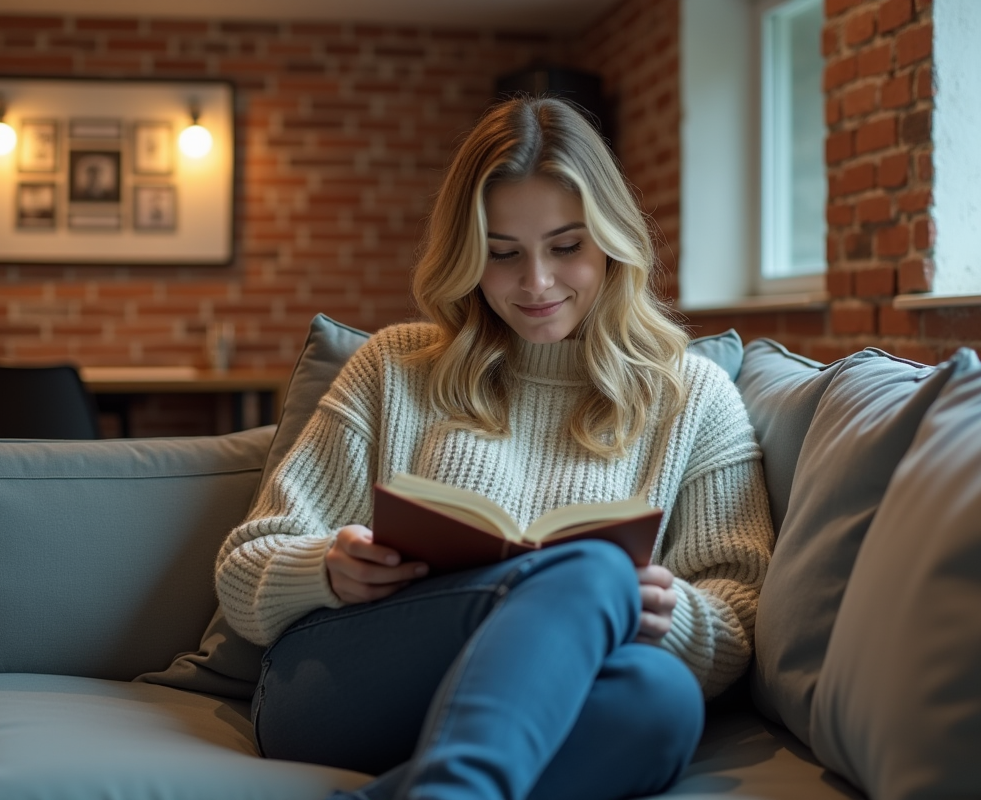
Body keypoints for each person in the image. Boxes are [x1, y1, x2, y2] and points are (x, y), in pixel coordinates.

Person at [215, 96, 775, 800]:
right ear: (467, 256)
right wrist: (324, 568)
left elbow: (740, 608)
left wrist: (677, 616)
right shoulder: (392, 368)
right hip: (346, 683)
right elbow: (243, 568)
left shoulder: (693, 397)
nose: (536, 283)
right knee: (594, 571)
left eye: (566, 247)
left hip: (545, 704)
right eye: (502, 254)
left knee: (661, 698)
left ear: (611, 241)